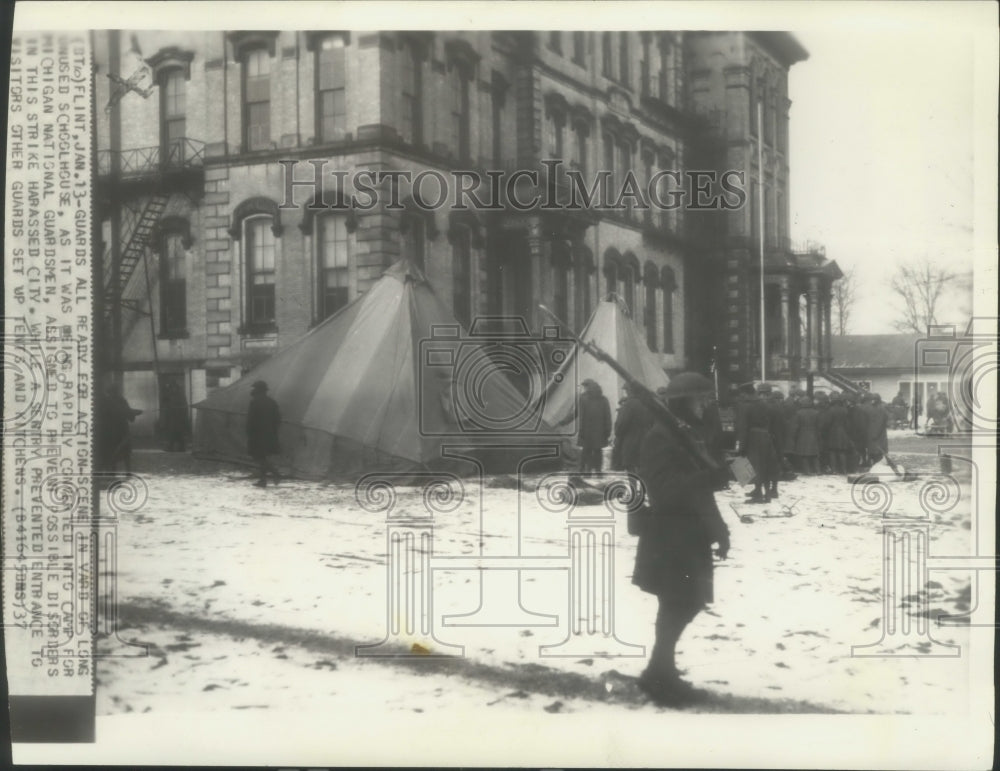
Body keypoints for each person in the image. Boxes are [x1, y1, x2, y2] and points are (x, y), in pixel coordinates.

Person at [633, 371, 730, 705]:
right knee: (678, 603)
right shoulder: (661, 437)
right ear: (684, 402)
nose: (706, 405)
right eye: (701, 398)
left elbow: (702, 492)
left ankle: (660, 671)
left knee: (684, 603)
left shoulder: (689, 436)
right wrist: (711, 478)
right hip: (670, 534)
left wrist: (720, 530)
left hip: (690, 534)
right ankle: (658, 675)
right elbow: (665, 491)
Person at [737, 384, 780, 502]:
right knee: (765, 465)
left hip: (752, 438)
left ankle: (758, 495)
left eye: (742, 394)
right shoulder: (764, 404)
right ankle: (766, 494)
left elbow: (743, 427)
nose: (742, 397)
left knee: (752, 466)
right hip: (765, 437)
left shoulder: (746, 406)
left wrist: (740, 446)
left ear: (746, 394)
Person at [99, 382, 142, 472]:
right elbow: (127, 414)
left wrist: (132, 412)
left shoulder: (105, 402)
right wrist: (134, 413)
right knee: (125, 451)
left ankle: (112, 470)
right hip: (121, 430)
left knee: (112, 450)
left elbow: (125, 412)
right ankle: (127, 471)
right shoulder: (121, 400)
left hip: (109, 430)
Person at [613, 383, 651, 481]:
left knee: (630, 467)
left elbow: (621, 425)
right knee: (642, 467)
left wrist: (617, 432)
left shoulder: (629, 404)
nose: (625, 393)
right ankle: (644, 490)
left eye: (626, 391)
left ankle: (634, 491)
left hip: (631, 441)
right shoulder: (645, 402)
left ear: (629, 391)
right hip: (645, 440)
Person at [247, 380, 282, 487]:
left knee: (259, 457)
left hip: (257, 434)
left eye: (254, 388)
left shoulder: (255, 402)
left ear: (258, 390)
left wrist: (249, 432)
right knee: (263, 457)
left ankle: (274, 474)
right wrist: (273, 430)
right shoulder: (272, 402)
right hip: (270, 434)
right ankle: (264, 479)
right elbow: (278, 419)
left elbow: (251, 419)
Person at [576, 379, 611, 473]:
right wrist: (608, 431)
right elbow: (608, 416)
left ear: (588, 387)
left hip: (586, 431)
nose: (584, 388)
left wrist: (581, 430)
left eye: (585, 386)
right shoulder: (604, 399)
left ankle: (584, 469)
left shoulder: (583, 398)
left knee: (586, 451)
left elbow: (580, 415)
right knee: (598, 451)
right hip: (600, 432)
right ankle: (598, 470)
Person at [824, 392, 853, 474]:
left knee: (832, 452)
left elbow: (827, 423)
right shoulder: (845, 409)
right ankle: (844, 470)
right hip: (843, 432)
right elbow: (848, 424)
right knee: (842, 452)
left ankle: (834, 470)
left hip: (832, 432)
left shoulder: (830, 410)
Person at [791, 395, 820, 475]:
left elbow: (796, 426)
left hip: (802, 434)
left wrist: (794, 436)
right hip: (813, 434)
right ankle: (818, 470)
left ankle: (807, 471)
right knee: (815, 454)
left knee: (804, 454)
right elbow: (818, 425)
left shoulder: (799, 413)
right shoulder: (816, 412)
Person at [161, 379, 190, 452]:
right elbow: (164, 405)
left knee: (179, 432)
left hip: (179, 417)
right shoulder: (168, 395)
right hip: (171, 417)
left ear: (177, 388)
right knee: (171, 432)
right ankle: (170, 447)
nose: (173, 389)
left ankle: (182, 447)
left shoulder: (181, 395)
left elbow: (184, 406)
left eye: (175, 387)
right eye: (172, 387)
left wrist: (184, 417)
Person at [866, 393, 890, 465]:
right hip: (874, 432)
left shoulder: (880, 409)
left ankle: (878, 465)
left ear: (877, 400)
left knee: (878, 451)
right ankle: (875, 464)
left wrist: (875, 434)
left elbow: (880, 422)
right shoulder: (874, 408)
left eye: (874, 400)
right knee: (874, 451)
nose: (872, 401)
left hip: (878, 434)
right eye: (871, 400)